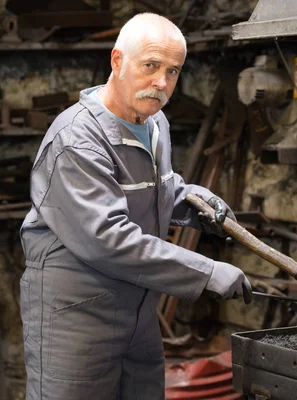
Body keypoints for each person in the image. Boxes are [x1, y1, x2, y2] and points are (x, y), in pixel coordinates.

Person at [19, 12, 252, 400]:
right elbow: (109, 239)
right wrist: (205, 272)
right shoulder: (77, 139)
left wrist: (193, 201)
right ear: (117, 61)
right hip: (77, 315)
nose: (161, 83)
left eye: (173, 71)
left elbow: (157, 188)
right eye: (150, 66)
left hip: (140, 310)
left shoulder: (154, 122)